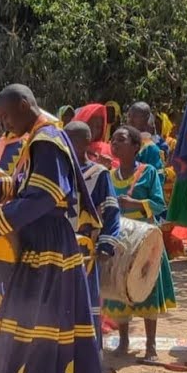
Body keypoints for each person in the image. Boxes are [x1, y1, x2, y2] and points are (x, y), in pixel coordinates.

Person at [0, 84, 105, 373]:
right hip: (51, 239)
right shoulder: (43, 136)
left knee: (17, 315)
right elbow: (29, 183)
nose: (4, 123)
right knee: (60, 317)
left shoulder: (45, 140)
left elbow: (44, 196)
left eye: (6, 115)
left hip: (46, 241)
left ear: (25, 105)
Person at [103, 125, 176, 360]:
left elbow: (159, 204)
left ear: (135, 147)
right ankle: (123, 343)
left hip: (146, 241)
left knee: (147, 289)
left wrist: (134, 204)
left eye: (121, 139)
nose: (114, 143)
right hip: (121, 241)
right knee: (119, 289)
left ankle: (151, 347)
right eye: (113, 139)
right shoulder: (109, 175)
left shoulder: (149, 173)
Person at [63, 121, 120, 335]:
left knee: (86, 304)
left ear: (86, 143)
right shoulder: (59, 173)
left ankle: (89, 358)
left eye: (71, 140)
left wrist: (106, 244)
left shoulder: (99, 174)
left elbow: (112, 212)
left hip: (87, 250)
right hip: (60, 245)